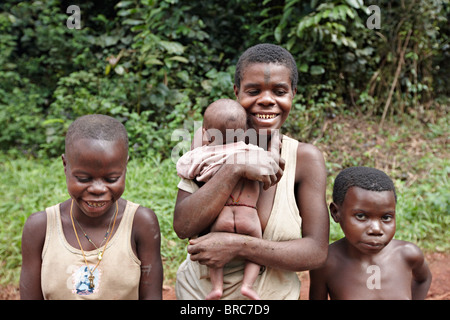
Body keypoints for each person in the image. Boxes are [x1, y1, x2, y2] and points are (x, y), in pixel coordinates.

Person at [174, 43, 329, 299]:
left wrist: (238, 246)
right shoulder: (207, 145)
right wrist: (234, 167)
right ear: (237, 92)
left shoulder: (304, 159)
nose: (267, 100)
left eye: (279, 91)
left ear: (293, 94)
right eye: (253, 91)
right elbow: (183, 226)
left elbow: (316, 251)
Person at [20, 114, 163, 300]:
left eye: (111, 179)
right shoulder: (40, 228)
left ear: (125, 166)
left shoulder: (141, 224)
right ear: (65, 165)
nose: (98, 189)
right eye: (83, 179)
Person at [177, 99, 264, 300]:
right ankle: (248, 286)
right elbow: (269, 164)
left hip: (222, 216)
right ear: (244, 132)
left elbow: (185, 170)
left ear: (206, 132)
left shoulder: (203, 156)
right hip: (248, 215)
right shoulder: (253, 153)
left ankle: (216, 287)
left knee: (215, 251)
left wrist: (194, 151)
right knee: (256, 248)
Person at [309, 166, 432, 300]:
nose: (376, 229)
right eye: (361, 216)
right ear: (335, 213)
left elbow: (424, 279)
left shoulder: (408, 254)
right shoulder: (325, 263)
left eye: (386, 217)